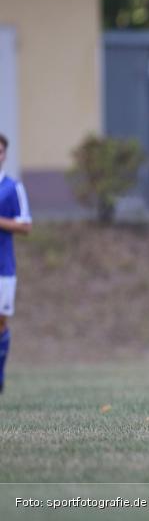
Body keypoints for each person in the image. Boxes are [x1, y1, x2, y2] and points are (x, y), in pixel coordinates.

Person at [0, 134, 32, 394]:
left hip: (3, 268)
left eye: (0, 151)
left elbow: (25, 225)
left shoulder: (12, 188)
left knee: (1, 323)